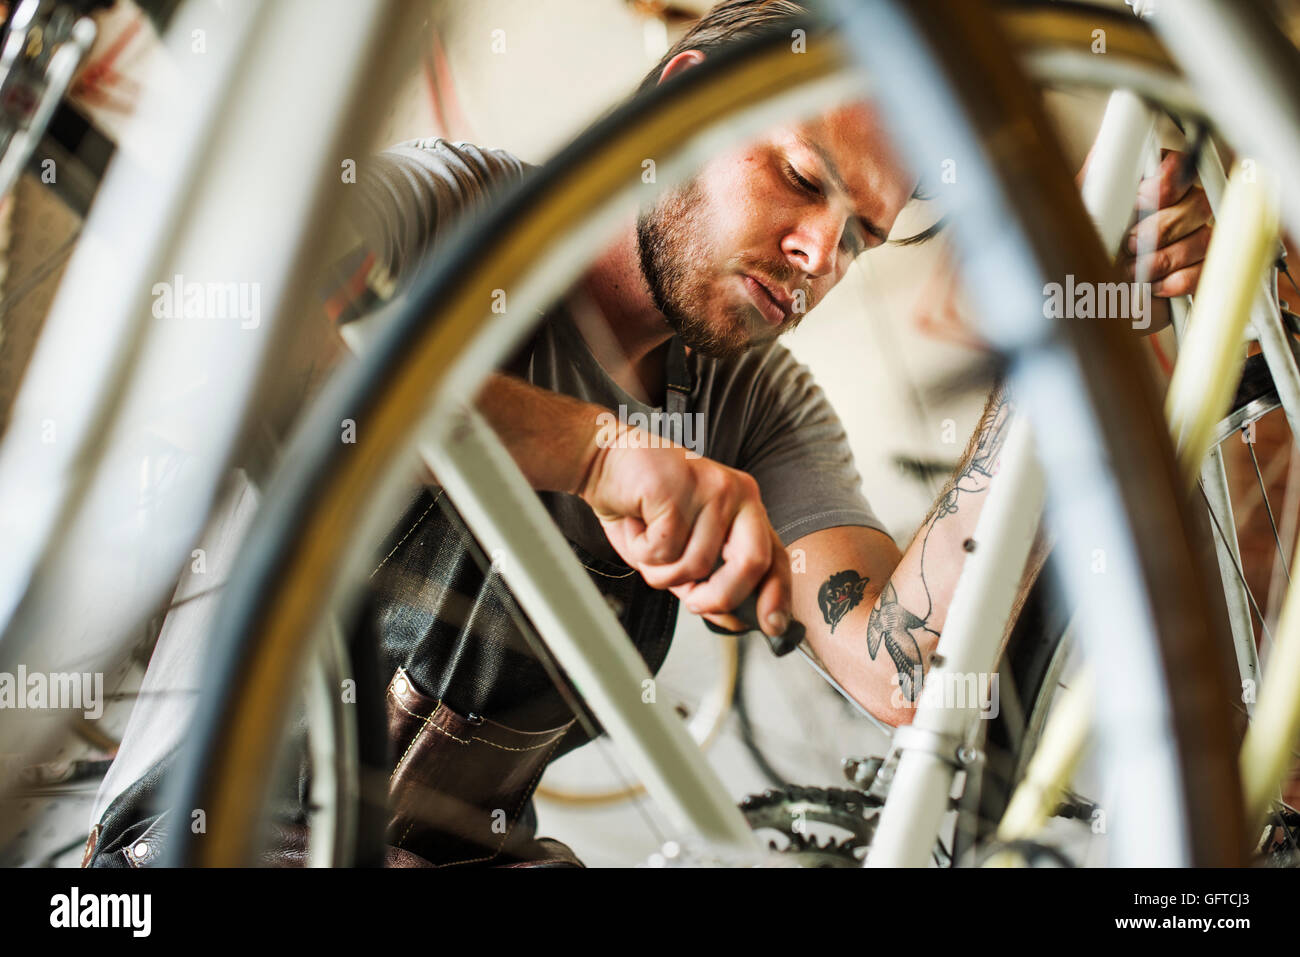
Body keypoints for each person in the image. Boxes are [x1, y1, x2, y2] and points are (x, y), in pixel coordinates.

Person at [84, 0, 1213, 868]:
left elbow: (902, 669)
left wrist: (1069, 328)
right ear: (686, 98)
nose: (823, 258)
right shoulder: (442, 221)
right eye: (801, 179)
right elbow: (243, 330)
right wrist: (591, 450)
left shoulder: (755, 407)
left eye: (860, 239)